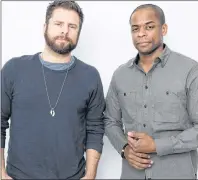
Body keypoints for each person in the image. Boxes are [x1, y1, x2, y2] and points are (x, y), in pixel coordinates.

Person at [1, 1, 105, 179]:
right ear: (45, 27)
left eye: (72, 26)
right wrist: (1, 173)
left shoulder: (90, 76)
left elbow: (95, 128)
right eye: (58, 24)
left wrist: (90, 175)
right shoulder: (14, 69)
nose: (65, 31)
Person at [104, 3, 198, 179]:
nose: (141, 34)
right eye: (135, 28)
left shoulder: (190, 70)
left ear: (163, 29)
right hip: (133, 174)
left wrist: (157, 146)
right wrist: (124, 148)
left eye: (149, 27)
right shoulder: (120, 75)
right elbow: (110, 121)